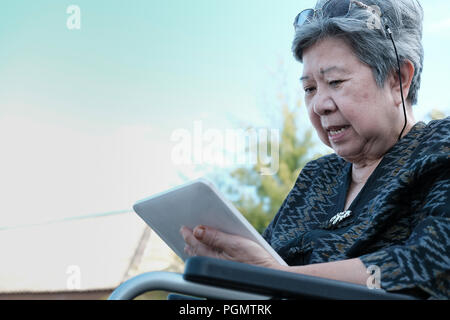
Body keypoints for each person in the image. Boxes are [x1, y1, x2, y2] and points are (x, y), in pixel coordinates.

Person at [180, 0, 449, 299]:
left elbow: (433, 264)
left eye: (335, 82)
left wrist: (276, 278)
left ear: (398, 78)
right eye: (309, 88)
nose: (319, 105)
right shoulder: (316, 178)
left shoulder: (439, 145)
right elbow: (261, 266)